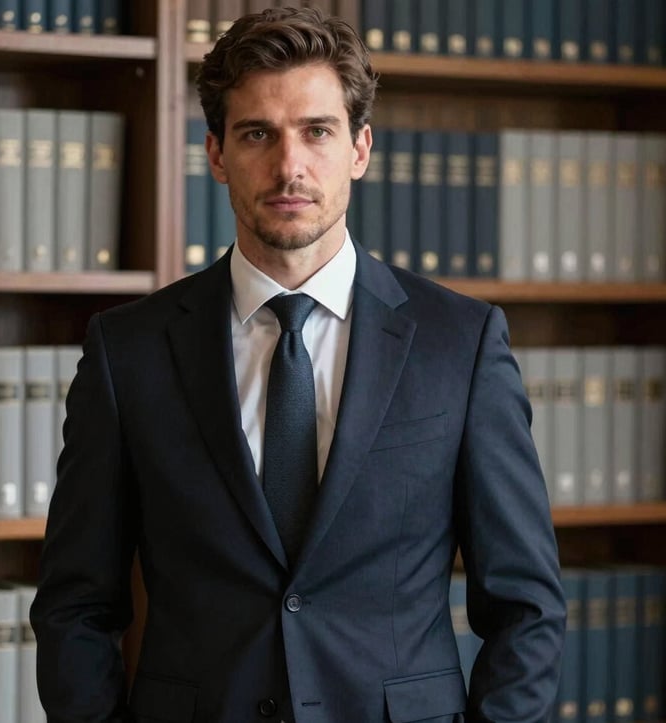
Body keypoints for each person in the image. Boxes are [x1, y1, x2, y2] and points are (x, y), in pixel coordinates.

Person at [31, 7, 566, 723]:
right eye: (258, 134)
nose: (290, 166)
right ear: (216, 153)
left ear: (360, 149)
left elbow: (527, 606)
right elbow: (76, 604)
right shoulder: (127, 350)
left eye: (317, 131)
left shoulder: (460, 343)